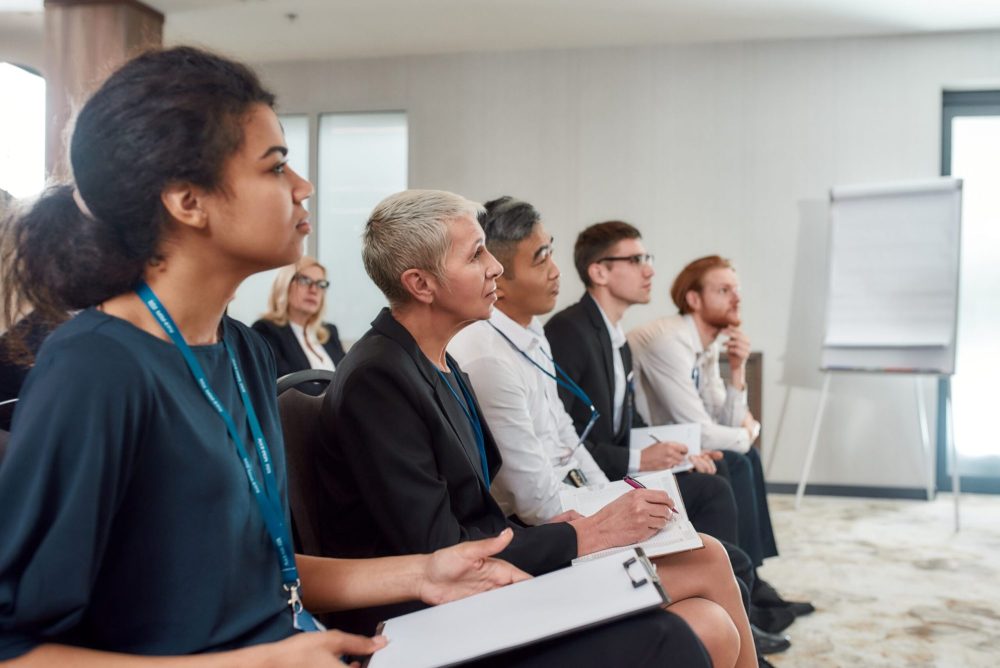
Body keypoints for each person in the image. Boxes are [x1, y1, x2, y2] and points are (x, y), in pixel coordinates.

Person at [0, 46, 533, 667]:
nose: (303, 187)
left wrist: (422, 574)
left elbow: (264, 566)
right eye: (276, 166)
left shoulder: (244, 351)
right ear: (187, 201)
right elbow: (16, 650)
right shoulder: (95, 367)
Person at [316, 189, 759, 667]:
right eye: (476, 254)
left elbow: (474, 516)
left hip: (486, 572)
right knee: (705, 619)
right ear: (422, 284)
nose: (495, 268)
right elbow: (438, 549)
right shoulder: (379, 378)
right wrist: (583, 536)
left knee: (708, 566)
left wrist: (565, 529)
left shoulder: (437, 360)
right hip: (430, 615)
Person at [449, 203, 785, 659]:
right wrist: (609, 510)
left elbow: (569, 436)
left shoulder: (536, 335)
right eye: (541, 257)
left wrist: (604, 492)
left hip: (573, 496)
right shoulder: (501, 351)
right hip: (546, 525)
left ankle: (751, 618)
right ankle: (747, 631)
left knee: (718, 522)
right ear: (499, 278)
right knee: (713, 548)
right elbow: (534, 499)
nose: (555, 269)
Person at [627, 255, 815, 622]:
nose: (736, 298)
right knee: (737, 457)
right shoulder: (670, 341)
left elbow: (717, 418)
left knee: (748, 459)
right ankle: (742, 589)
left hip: (683, 442)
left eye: (737, 290)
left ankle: (753, 581)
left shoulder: (708, 345)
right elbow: (702, 428)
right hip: (648, 449)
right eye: (724, 290)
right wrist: (747, 433)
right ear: (694, 299)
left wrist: (739, 372)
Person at [252, 256, 345, 378]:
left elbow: (349, 379)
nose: (314, 290)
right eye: (305, 280)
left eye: (320, 284)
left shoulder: (330, 332)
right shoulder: (266, 331)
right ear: (284, 285)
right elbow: (286, 388)